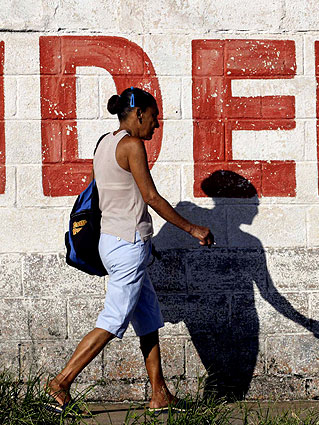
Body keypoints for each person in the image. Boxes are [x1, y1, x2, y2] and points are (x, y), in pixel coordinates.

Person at [46, 87, 214, 413]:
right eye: (153, 117)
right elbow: (150, 196)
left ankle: (159, 394)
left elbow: (98, 194)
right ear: (138, 114)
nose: (156, 124)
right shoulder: (132, 146)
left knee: (148, 319)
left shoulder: (103, 144)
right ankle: (60, 383)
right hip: (128, 244)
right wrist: (192, 229)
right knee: (113, 319)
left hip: (111, 242)